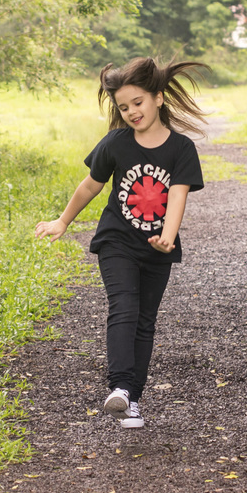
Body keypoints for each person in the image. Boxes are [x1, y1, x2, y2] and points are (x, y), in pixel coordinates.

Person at [35, 58, 206, 429]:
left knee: (145, 322)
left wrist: (169, 236)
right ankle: (118, 387)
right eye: (123, 107)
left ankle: (131, 400)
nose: (131, 112)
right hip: (117, 241)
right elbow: (90, 185)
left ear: (158, 98)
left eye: (138, 103)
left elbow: (178, 195)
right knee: (124, 307)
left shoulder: (181, 149)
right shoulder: (116, 143)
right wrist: (62, 221)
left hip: (158, 247)